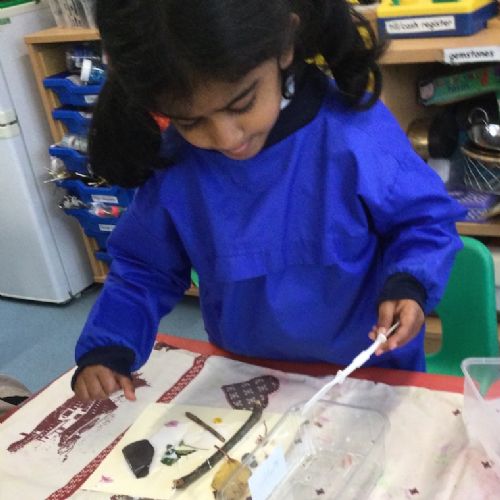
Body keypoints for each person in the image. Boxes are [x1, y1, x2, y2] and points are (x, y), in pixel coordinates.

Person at [72, 0, 464, 401]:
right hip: (249, 379)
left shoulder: (353, 135)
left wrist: (409, 283)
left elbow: (423, 222)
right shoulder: (178, 165)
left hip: (371, 375)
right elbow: (143, 268)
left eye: (241, 103)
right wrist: (109, 346)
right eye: (190, 121)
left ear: (285, 45)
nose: (226, 138)